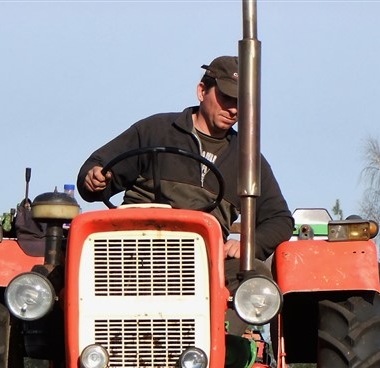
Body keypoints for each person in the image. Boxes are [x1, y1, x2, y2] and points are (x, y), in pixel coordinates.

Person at [77, 55, 294, 272]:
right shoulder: (155, 130)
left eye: (241, 102)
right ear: (201, 91)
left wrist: (250, 245)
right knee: (72, 270)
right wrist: (93, 178)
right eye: (227, 98)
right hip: (133, 251)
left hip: (204, 262)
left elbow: (279, 218)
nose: (234, 109)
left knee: (255, 279)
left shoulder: (247, 159)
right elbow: (98, 168)